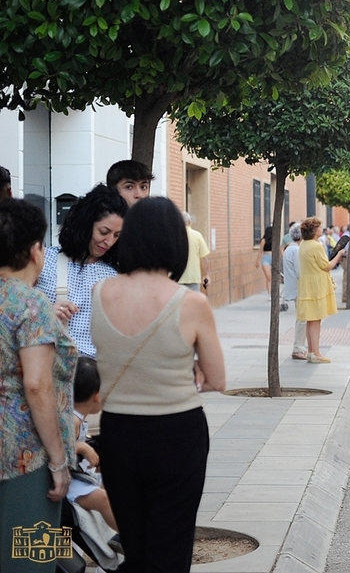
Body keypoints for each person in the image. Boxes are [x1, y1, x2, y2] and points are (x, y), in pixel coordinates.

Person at [90, 196, 225, 571]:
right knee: (172, 543)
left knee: (136, 542)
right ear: (175, 242)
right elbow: (218, 379)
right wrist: (192, 362)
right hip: (177, 431)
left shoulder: (100, 292)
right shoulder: (191, 302)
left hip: (117, 431)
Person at [0, 199, 77, 573]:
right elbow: (37, 386)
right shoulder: (33, 305)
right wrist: (60, 463)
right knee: (33, 560)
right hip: (26, 456)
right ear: (34, 250)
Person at [36, 184, 128, 359]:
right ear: (85, 224)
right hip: (45, 367)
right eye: (104, 232)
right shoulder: (43, 260)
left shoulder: (114, 277)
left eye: (117, 235)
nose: (108, 241)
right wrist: (43, 313)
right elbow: (12, 308)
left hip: (92, 376)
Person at [68, 357, 118, 532]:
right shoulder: (72, 420)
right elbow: (61, 447)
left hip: (77, 475)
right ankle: (130, 539)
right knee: (103, 499)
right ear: (97, 396)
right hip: (69, 482)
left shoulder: (76, 418)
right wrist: (82, 447)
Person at [296, 217, 346, 363]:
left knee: (311, 319)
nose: (321, 229)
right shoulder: (315, 246)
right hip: (316, 285)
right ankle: (316, 353)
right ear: (313, 230)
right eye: (319, 227)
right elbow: (327, 266)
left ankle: (311, 351)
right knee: (316, 320)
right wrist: (339, 255)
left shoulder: (304, 244)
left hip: (307, 284)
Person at [282, 223, 309, 360]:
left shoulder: (289, 249)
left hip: (295, 287)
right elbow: (301, 271)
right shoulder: (296, 251)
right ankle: (298, 348)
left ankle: (300, 347)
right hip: (300, 288)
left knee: (302, 318)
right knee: (302, 319)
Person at [179, 212, 210, 292]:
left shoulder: (172, 237)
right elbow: (203, 258)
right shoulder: (197, 236)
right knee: (193, 303)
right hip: (193, 278)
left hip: (176, 279)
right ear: (189, 222)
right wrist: (205, 275)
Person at [256, 225, 274, 296]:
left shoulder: (274, 240)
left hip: (273, 258)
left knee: (273, 277)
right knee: (268, 277)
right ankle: (269, 293)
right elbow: (260, 251)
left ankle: (272, 292)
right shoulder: (263, 240)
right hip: (266, 258)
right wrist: (258, 261)